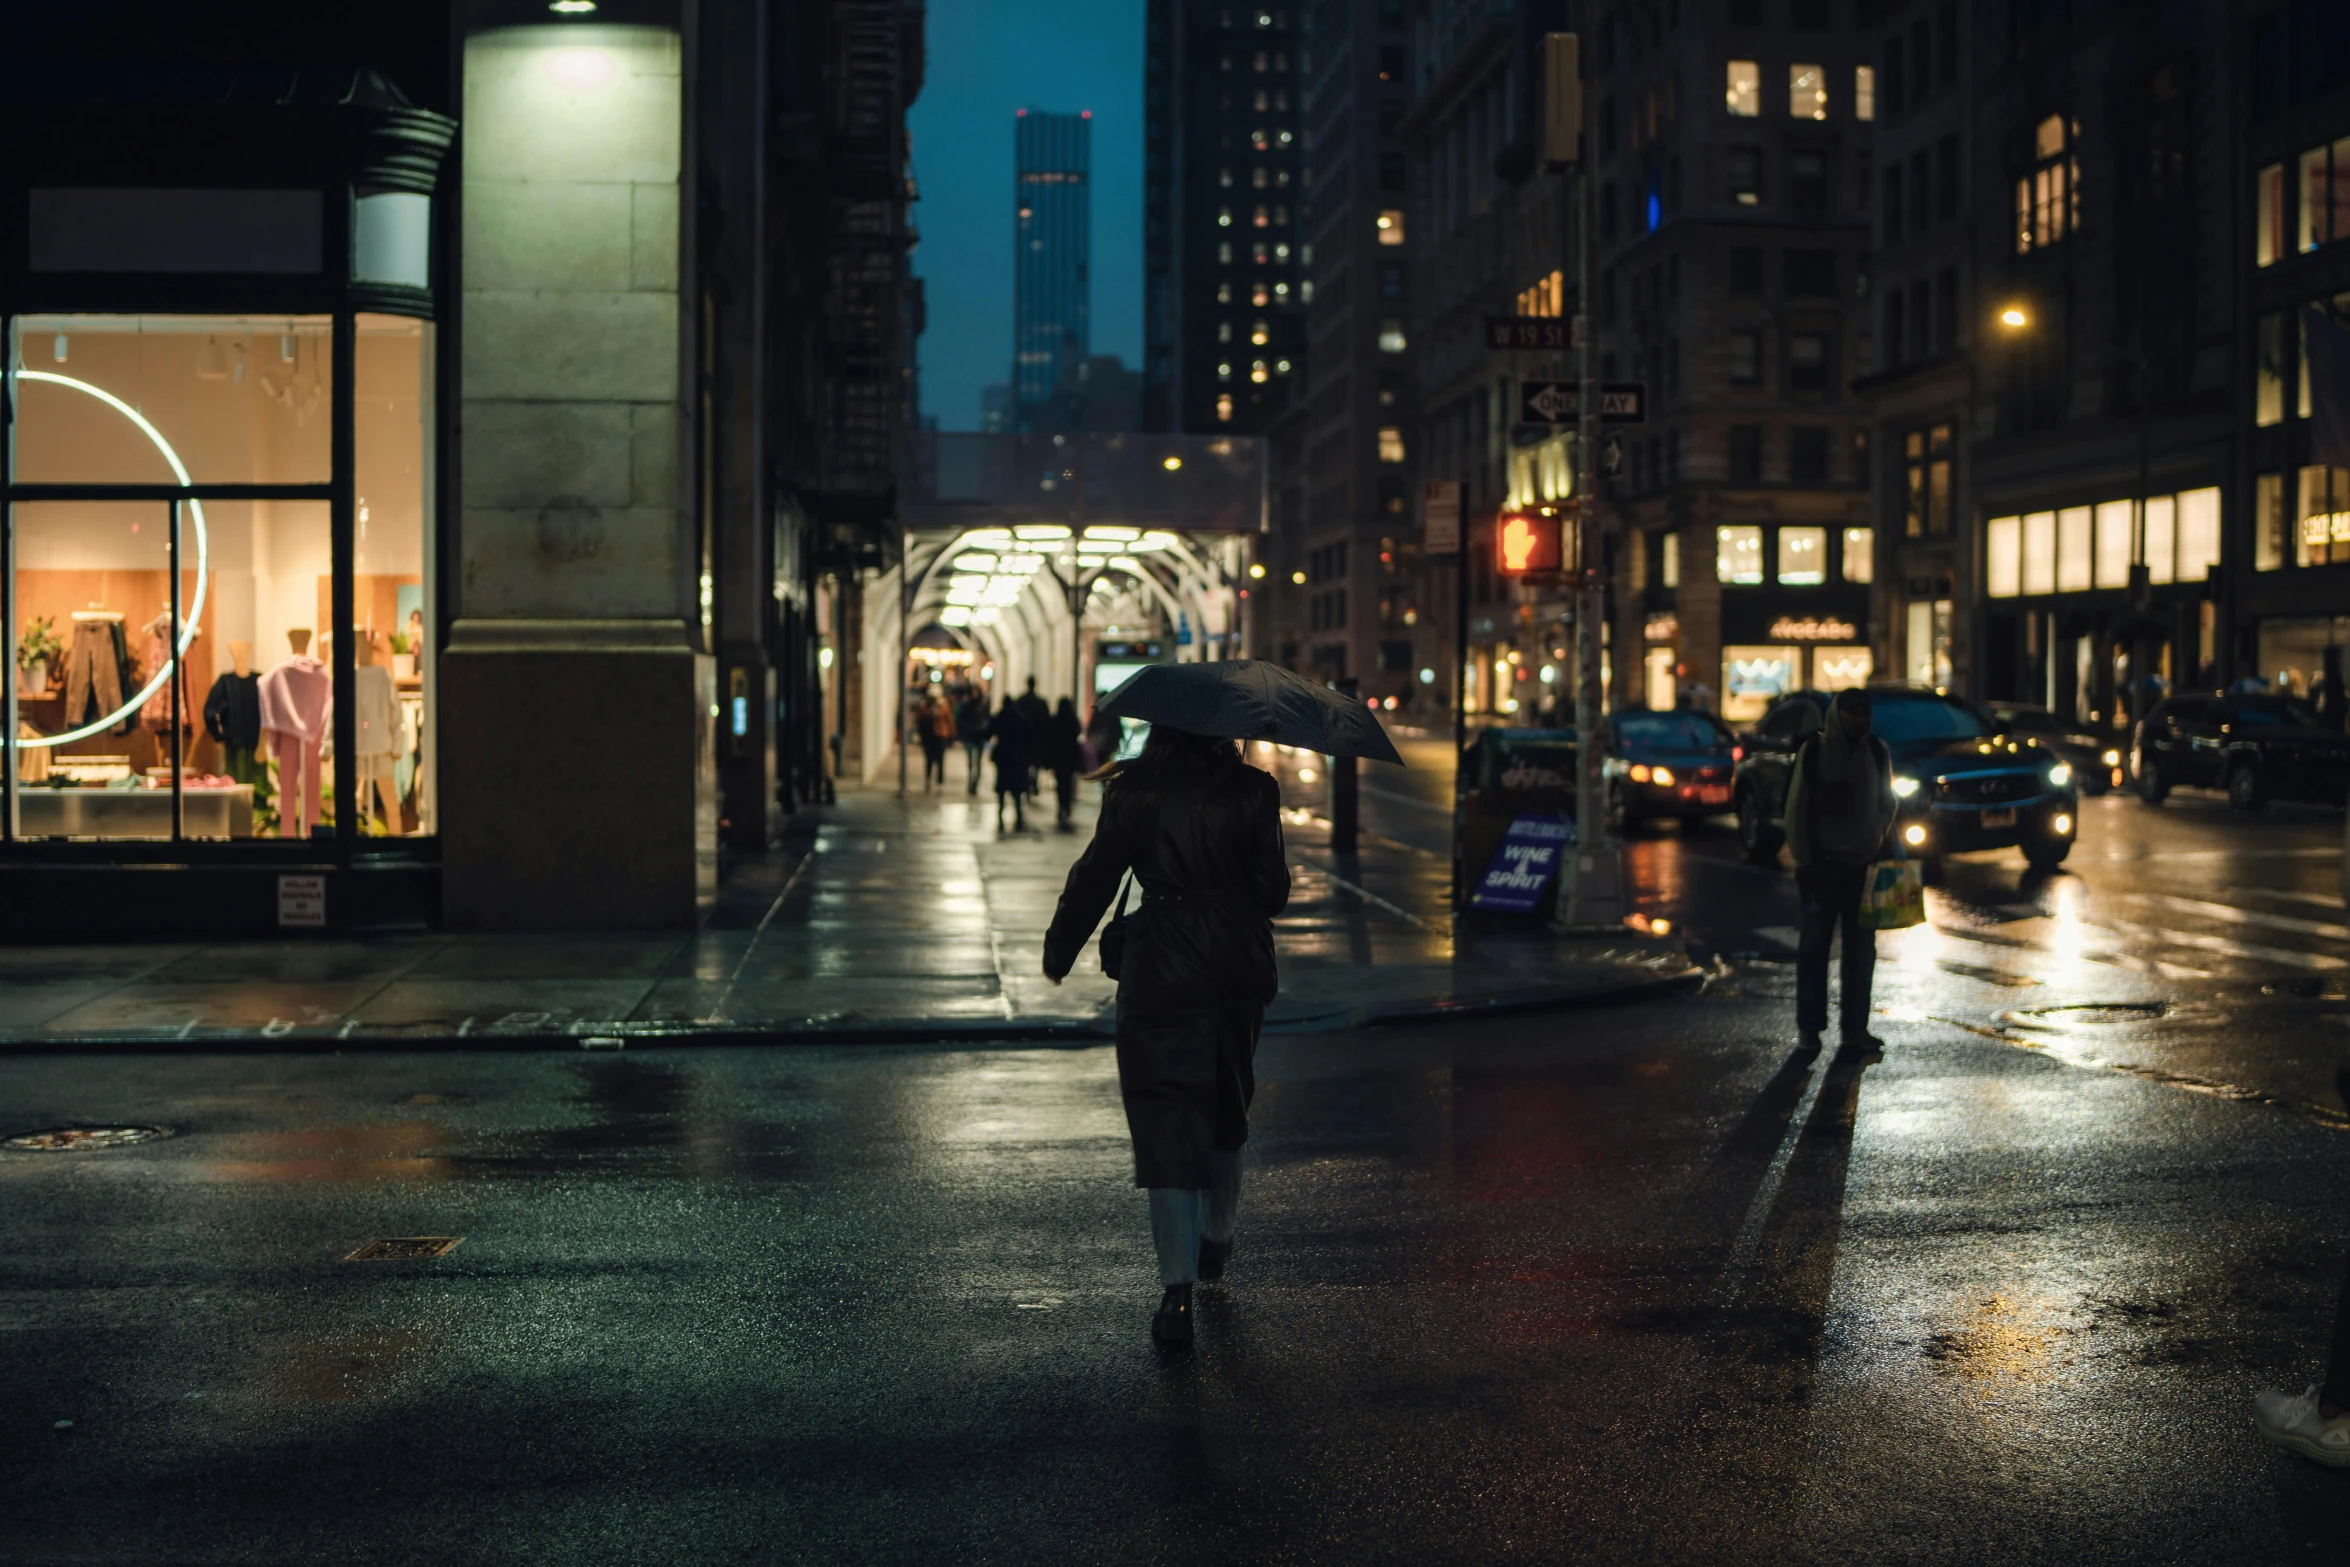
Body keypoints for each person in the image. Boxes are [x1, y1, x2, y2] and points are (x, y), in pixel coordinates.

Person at [1041, 725, 1289, 1346]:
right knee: (1230, 1102)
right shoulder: (1256, 790)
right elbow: (1273, 892)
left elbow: (1097, 874)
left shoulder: (1136, 791)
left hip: (1162, 968)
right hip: (1237, 962)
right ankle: (1217, 1240)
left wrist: (1060, 947)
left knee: (1165, 1118)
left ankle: (1175, 1296)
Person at [1782, 688, 1897, 1057]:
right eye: (1853, 713)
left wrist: (1875, 838)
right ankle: (1810, 1029)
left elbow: (1887, 802)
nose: (1860, 720)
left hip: (1863, 869)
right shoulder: (1815, 752)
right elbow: (1796, 810)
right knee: (1814, 947)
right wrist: (1803, 864)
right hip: (1823, 868)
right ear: (1837, 715)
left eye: (1865, 712)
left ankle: (1855, 1030)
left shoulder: (1877, 751)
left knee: (1862, 952)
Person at [987, 696, 1035, 830]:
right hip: (1017, 757)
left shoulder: (1000, 717)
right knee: (1017, 789)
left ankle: (1000, 814)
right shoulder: (1021, 718)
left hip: (1003, 757)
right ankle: (1018, 815)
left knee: (1002, 788)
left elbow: (990, 731)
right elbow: (1029, 736)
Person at [1046, 697, 1083, 828]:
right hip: (1070, 757)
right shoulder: (1073, 720)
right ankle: (1066, 806)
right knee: (1067, 782)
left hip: (1058, 757)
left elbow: (1049, 737)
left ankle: (1061, 806)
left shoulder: (1055, 720)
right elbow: (1078, 732)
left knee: (1060, 782)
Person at [1016, 677, 1053, 801]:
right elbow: (1047, 722)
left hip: (1024, 739)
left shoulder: (1021, 701)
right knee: (1036, 763)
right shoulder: (1041, 703)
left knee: (1026, 762)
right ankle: (1033, 782)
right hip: (1037, 738)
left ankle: (1027, 782)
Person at [957, 690, 992, 795]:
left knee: (978, 762)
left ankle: (975, 782)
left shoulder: (982, 706)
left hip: (979, 738)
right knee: (971, 762)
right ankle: (971, 781)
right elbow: (961, 721)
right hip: (971, 737)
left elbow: (988, 720)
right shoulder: (966, 706)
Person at [917, 691, 952, 790]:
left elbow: (948, 719)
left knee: (940, 759)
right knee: (929, 759)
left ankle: (939, 780)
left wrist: (951, 735)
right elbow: (919, 718)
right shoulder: (924, 706)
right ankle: (928, 778)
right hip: (928, 736)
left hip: (940, 735)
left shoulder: (942, 705)